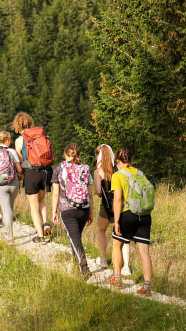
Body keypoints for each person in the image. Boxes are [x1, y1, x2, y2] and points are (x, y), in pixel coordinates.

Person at [110, 148, 153, 295]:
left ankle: (117, 278)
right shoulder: (140, 174)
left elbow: (117, 199)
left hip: (128, 214)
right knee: (144, 251)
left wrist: (116, 222)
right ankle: (147, 286)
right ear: (131, 161)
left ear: (118, 161)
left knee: (117, 244)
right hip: (145, 215)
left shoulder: (117, 176)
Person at [51, 143, 93, 277]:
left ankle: (84, 267)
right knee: (75, 239)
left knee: (75, 240)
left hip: (67, 210)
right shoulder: (85, 169)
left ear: (65, 155)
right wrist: (91, 212)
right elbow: (90, 194)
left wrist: (54, 212)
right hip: (84, 209)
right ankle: (77, 267)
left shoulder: (60, 168)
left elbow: (56, 193)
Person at [12, 112, 54, 244]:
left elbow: (19, 159)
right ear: (30, 123)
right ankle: (46, 222)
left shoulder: (19, 140)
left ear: (17, 126)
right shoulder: (42, 135)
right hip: (47, 171)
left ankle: (40, 236)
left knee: (33, 205)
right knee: (42, 201)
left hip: (31, 172)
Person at [94, 144, 131, 275]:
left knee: (101, 230)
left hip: (106, 205)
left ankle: (103, 259)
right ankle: (126, 266)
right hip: (120, 204)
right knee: (123, 234)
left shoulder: (98, 171)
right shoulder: (118, 169)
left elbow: (98, 192)